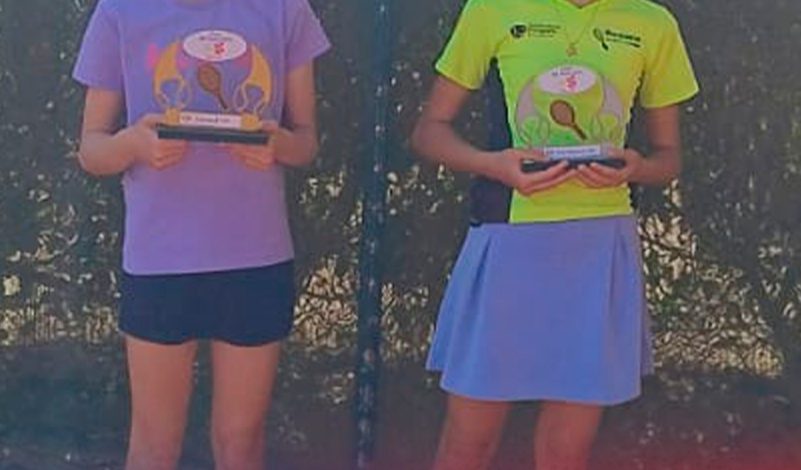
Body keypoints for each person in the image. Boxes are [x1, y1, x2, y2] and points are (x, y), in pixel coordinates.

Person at [411, 0, 698, 468]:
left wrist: (636, 168)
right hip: (508, 240)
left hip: (599, 250)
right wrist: (493, 165)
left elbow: (669, 158)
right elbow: (429, 132)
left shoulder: (652, 22)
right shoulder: (490, 10)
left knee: (565, 452)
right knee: (469, 442)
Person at [73, 0, 330, 468]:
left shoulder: (285, 9)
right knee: (154, 447)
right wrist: (134, 144)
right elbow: (91, 149)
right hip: (158, 261)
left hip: (256, 259)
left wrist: (279, 145)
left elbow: (307, 141)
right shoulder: (119, 11)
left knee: (241, 444)